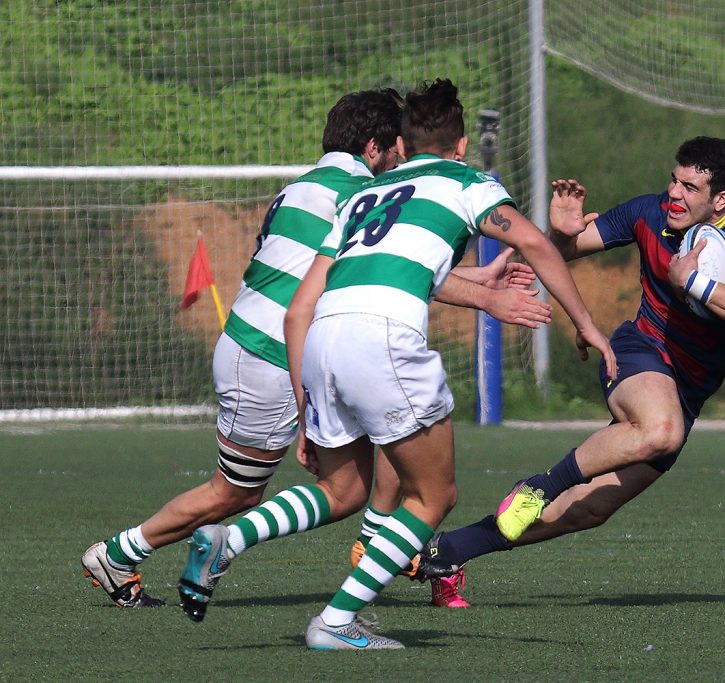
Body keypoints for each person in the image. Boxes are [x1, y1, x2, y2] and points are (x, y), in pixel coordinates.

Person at [181, 78, 616, 650]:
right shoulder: (467, 181)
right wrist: (586, 325)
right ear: (460, 145)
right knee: (434, 496)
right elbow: (535, 244)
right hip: (381, 337)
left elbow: (298, 312)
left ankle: (229, 540)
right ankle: (336, 622)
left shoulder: (359, 199)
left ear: (404, 146)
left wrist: (308, 405)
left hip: (319, 341)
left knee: (343, 489)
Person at [81, 87, 550, 610]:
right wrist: (488, 294)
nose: (405, 154)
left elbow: (379, 272)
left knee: (387, 431)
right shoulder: (353, 193)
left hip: (266, 344)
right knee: (236, 492)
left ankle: (380, 540)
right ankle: (121, 553)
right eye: (397, 145)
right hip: (273, 354)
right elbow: (389, 271)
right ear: (375, 147)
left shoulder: (313, 185)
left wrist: (483, 284)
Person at [413, 136, 725, 606]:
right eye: (674, 180)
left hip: (687, 390)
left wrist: (692, 280)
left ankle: (448, 551)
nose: (674, 193)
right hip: (637, 353)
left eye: (690, 188)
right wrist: (565, 233)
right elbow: (562, 251)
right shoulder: (647, 212)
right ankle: (537, 487)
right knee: (660, 429)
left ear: (721, 200)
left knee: (587, 510)